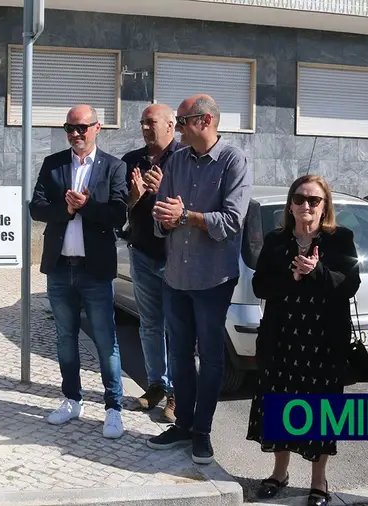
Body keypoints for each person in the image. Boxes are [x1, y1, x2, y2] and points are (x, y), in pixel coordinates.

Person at [147, 94, 252, 464]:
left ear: (204, 120)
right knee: (178, 354)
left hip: (212, 280)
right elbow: (162, 216)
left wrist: (186, 215)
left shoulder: (233, 161)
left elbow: (232, 221)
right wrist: (164, 219)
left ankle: (202, 432)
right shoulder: (175, 160)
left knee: (210, 358)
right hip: (175, 275)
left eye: (181, 119)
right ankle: (183, 425)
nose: (174, 125)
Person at [246, 175, 361, 506]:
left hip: (324, 342)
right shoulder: (276, 239)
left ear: (325, 206)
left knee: (320, 410)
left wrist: (317, 271)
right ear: (290, 204)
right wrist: (291, 275)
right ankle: (279, 473)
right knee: (280, 404)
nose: (306, 205)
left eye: (314, 200)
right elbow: (259, 286)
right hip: (281, 339)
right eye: (299, 199)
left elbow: (348, 284)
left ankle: (318, 481)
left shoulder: (340, 239)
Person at [29, 104, 128, 439]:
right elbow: (36, 208)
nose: (75, 134)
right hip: (59, 268)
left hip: (95, 271)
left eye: (82, 128)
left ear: (97, 128)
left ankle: (114, 407)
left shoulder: (114, 167)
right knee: (65, 341)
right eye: (70, 128)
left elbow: (118, 215)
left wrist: (88, 207)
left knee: (105, 342)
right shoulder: (53, 164)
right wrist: (66, 208)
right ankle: (72, 399)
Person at [120, 104, 184, 422]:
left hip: (176, 258)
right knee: (149, 325)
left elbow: (191, 206)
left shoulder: (186, 159)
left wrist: (161, 193)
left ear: (171, 124)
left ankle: (177, 393)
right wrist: (135, 195)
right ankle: (156, 385)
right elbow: (119, 208)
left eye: (152, 122)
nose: (145, 127)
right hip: (142, 254)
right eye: (142, 122)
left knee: (177, 328)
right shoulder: (132, 161)